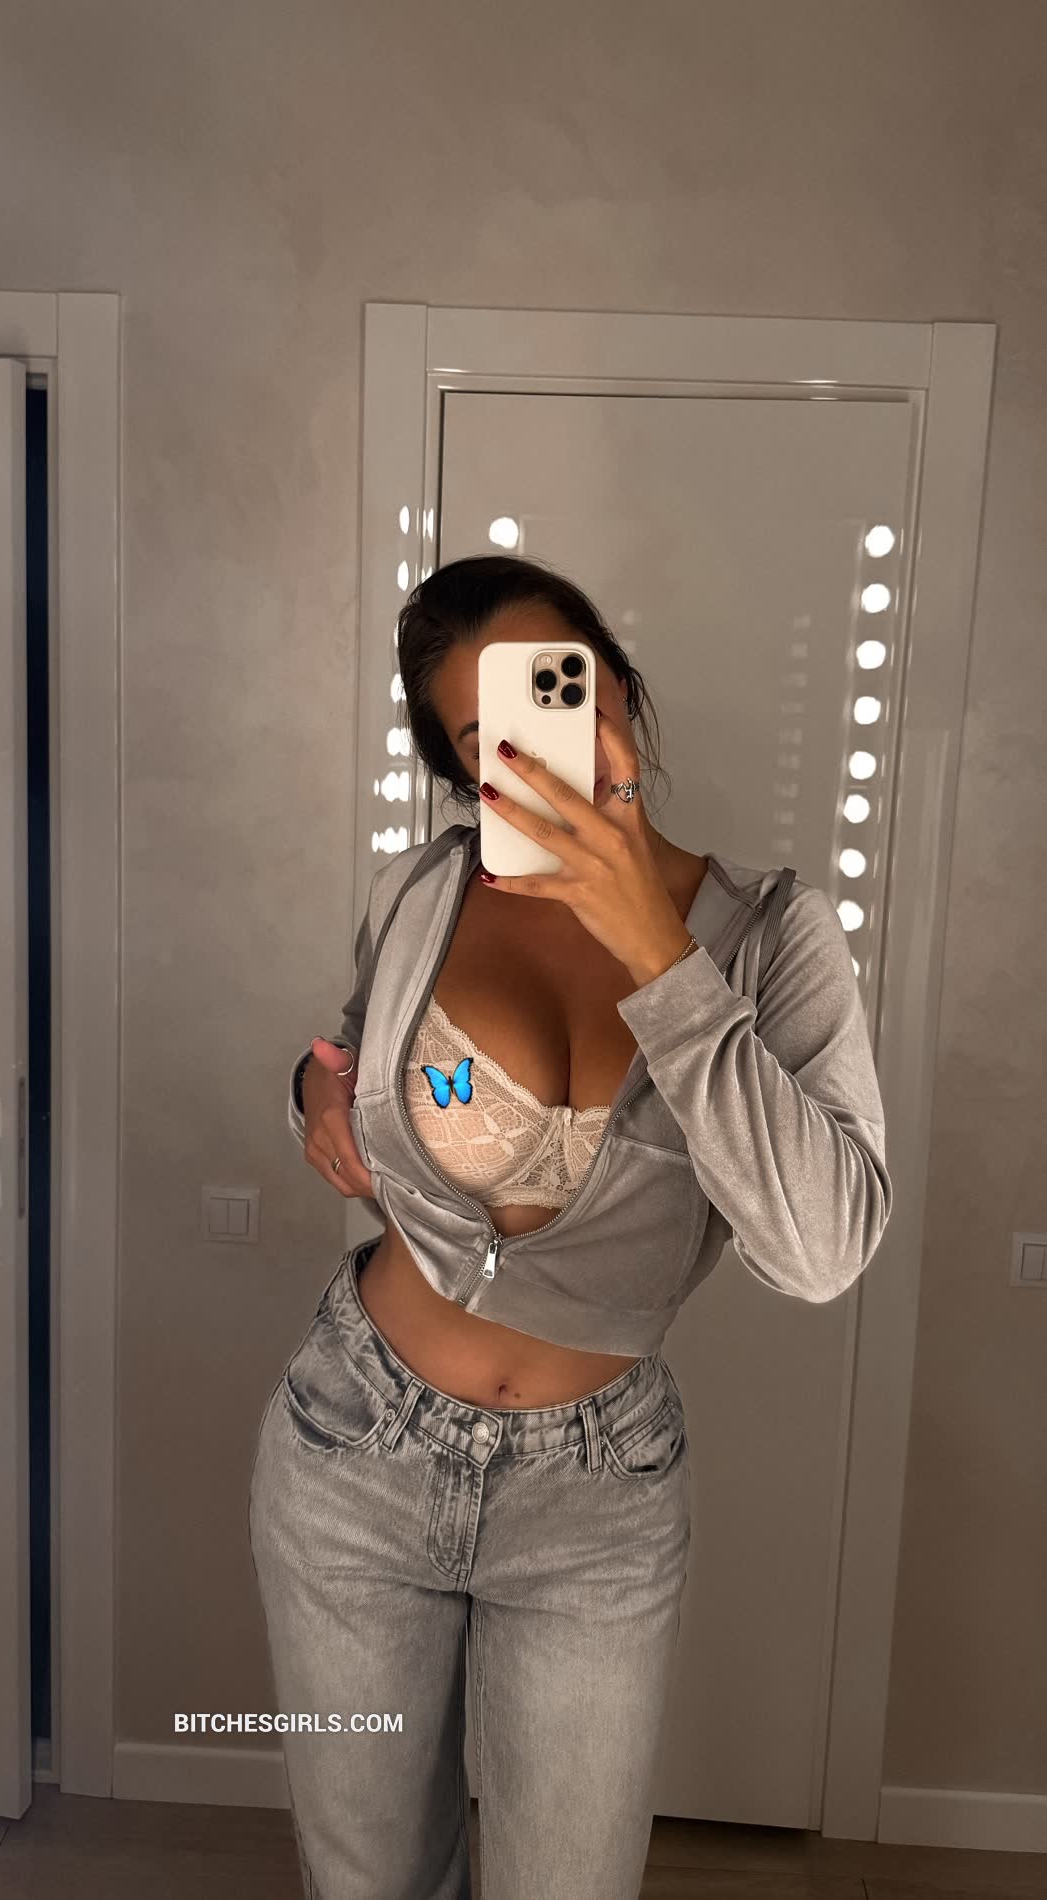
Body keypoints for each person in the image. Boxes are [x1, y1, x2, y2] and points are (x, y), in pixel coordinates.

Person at [248, 554, 892, 1900]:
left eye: (561, 690)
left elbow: (822, 1249)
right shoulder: (415, 894)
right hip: (350, 1443)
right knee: (366, 1882)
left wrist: (658, 952)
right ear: (459, 766)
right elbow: (353, 1054)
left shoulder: (776, 937)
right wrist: (311, 1088)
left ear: (617, 688)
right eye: (485, 738)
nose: (539, 749)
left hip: (593, 1500)